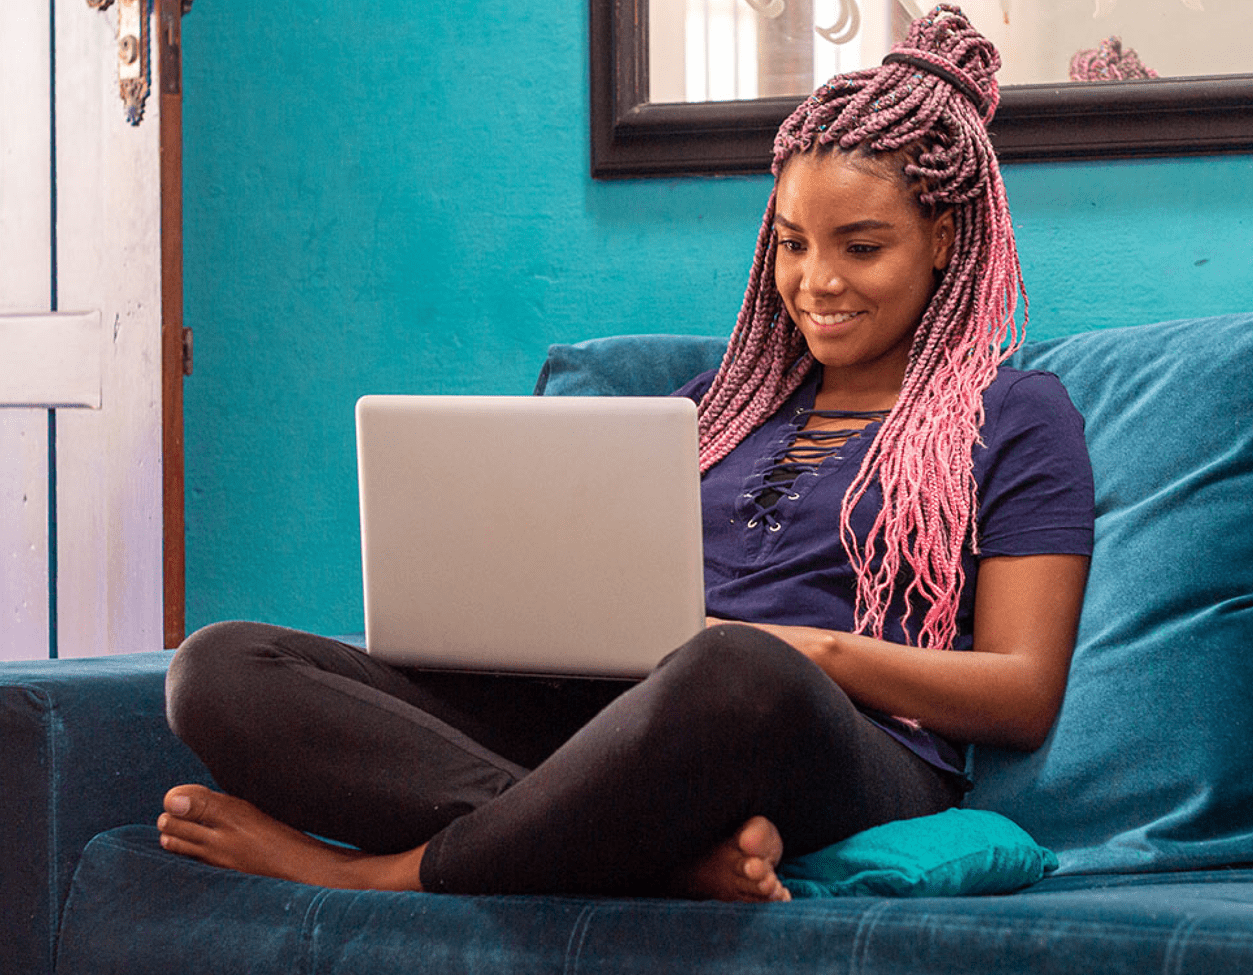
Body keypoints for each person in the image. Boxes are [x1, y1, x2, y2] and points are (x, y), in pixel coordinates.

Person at [157, 5, 1093, 904]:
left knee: (735, 672)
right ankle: (638, 855)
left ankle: (381, 874)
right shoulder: (711, 410)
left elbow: (1020, 690)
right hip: (622, 731)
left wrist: (812, 652)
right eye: (793, 244)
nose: (818, 282)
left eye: (862, 246)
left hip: (828, 739)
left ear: (945, 241)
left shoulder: (1014, 413)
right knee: (221, 667)